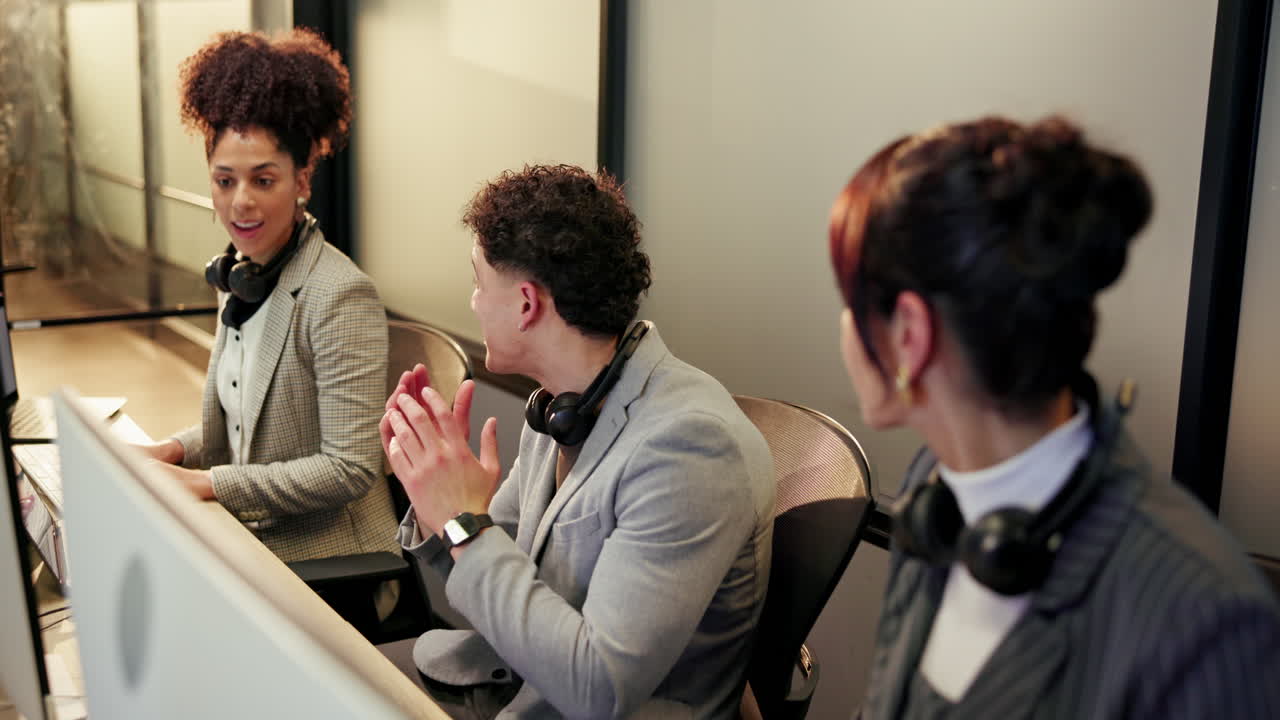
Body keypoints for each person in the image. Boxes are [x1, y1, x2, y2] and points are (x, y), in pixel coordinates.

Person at [828, 115, 1280, 718]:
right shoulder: (934, 494)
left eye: (850, 306)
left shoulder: (1205, 622)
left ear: (909, 334)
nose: (843, 329)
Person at [380, 164, 775, 719]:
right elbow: (496, 589)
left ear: (525, 304)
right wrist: (436, 500)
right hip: (524, 684)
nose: (471, 301)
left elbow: (600, 689)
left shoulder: (691, 449)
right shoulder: (562, 406)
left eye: (477, 281)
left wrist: (467, 525)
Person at [138, 29, 398, 571]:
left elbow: (349, 468)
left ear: (302, 179)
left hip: (329, 560)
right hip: (255, 535)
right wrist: (174, 451)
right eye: (224, 180)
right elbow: (245, 429)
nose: (241, 202)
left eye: (263, 179)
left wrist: (207, 483)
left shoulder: (338, 294)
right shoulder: (241, 275)